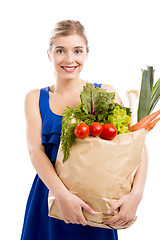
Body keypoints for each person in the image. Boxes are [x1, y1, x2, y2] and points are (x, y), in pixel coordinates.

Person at [20, 20, 148, 240]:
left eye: (77, 50)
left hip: (97, 202)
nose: (70, 59)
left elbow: (136, 147)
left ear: (87, 53)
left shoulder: (105, 92)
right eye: (60, 50)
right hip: (50, 197)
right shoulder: (35, 98)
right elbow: (35, 152)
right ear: (49, 54)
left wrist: (136, 196)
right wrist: (62, 196)